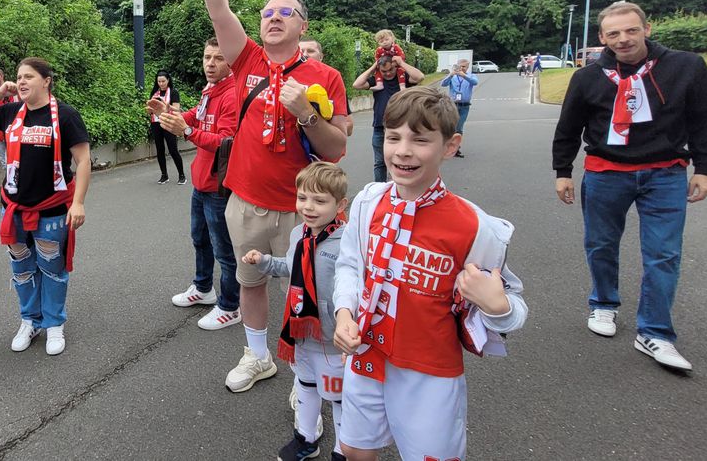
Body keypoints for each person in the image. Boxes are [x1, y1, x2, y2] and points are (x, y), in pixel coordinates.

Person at [190, 0, 350, 394]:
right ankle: (257, 356)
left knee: (312, 290)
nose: (274, 16)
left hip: (308, 209)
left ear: (303, 25)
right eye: (267, 12)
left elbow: (336, 150)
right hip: (249, 202)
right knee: (252, 282)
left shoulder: (326, 75)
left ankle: (312, 371)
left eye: (286, 12)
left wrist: (305, 113)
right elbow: (218, 8)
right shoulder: (249, 62)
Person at [333, 87, 528, 461]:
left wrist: (497, 307)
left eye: (420, 140)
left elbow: (512, 308)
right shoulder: (367, 201)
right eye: (393, 138)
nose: (403, 150)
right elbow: (350, 267)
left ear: (450, 146)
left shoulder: (476, 227)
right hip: (365, 355)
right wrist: (344, 313)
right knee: (356, 451)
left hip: (430, 372)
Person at [552, 1, 707, 372]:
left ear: (647, 28)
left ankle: (655, 332)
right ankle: (603, 303)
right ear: (602, 38)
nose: (623, 39)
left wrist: (705, 166)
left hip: (666, 173)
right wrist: (562, 171)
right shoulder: (588, 77)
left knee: (663, 253)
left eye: (631, 30)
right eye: (613, 33)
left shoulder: (686, 67)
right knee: (600, 244)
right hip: (605, 172)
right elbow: (568, 127)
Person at [0, 58, 92, 356]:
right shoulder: (11, 111)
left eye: (28, 77)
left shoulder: (65, 115)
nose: (21, 82)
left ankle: (53, 323)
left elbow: (84, 160)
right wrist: (1, 92)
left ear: (46, 80)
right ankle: (30, 320)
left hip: (52, 209)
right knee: (22, 269)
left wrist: (78, 203)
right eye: (19, 77)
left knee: (52, 269)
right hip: (14, 209)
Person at [243, 162, 350, 461]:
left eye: (320, 200)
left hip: (332, 339)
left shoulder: (348, 242)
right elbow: (291, 268)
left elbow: (354, 288)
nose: (309, 207)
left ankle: (344, 450)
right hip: (300, 332)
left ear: (340, 204)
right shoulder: (298, 234)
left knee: (339, 397)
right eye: (303, 198)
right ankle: (305, 439)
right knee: (305, 386)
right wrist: (264, 261)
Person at [157, 38, 241, 330]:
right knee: (200, 240)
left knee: (224, 250)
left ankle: (231, 306)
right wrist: (168, 114)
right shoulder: (211, 90)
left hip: (220, 186)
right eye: (207, 57)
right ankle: (204, 288)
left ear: (230, 62)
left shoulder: (233, 94)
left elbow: (227, 143)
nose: (210, 64)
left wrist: (187, 130)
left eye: (218, 58)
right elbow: (196, 115)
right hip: (202, 182)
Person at [353, 54, 425, 180]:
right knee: (380, 163)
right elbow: (357, 85)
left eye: (391, 69)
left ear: (395, 67)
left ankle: (398, 189)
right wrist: (373, 67)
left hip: (402, 128)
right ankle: (379, 191)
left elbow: (419, 77)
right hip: (380, 128)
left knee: (400, 162)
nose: (387, 73)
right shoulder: (377, 81)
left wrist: (401, 63)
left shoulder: (403, 78)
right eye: (384, 71)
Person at [302, 38, 353, 138]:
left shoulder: (332, 81)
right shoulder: (286, 79)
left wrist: (324, 130)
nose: (305, 54)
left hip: (322, 149)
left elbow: (349, 126)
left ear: (321, 57)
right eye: (301, 51)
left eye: (310, 51)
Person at [148, 70, 186, 185]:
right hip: (156, 123)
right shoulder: (154, 92)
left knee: (173, 149)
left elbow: (177, 109)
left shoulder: (173, 92)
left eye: (163, 81)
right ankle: (164, 175)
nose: (161, 83)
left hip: (169, 122)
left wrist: (168, 107)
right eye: (159, 81)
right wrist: (150, 111)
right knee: (160, 150)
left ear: (168, 80)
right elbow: (151, 108)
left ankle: (182, 175)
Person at [439, 59, 478, 158]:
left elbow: (475, 82)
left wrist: (464, 76)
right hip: (453, 105)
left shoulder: (470, 76)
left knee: (459, 127)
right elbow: (443, 84)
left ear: (467, 67)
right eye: (460, 66)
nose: (461, 68)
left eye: (464, 67)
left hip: (464, 105)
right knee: (451, 126)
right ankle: (446, 146)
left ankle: (456, 148)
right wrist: (451, 75)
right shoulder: (453, 76)